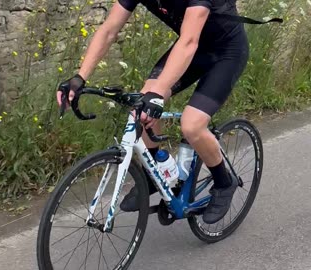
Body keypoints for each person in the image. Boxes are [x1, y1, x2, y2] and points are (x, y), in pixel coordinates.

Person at [57, 0, 251, 225]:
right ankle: (154, 174)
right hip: (194, 50)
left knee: (191, 125)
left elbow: (188, 42)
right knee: (140, 107)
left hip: (226, 52)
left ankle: (224, 182)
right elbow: (109, 30)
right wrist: (80, 77)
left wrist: (157, 93)